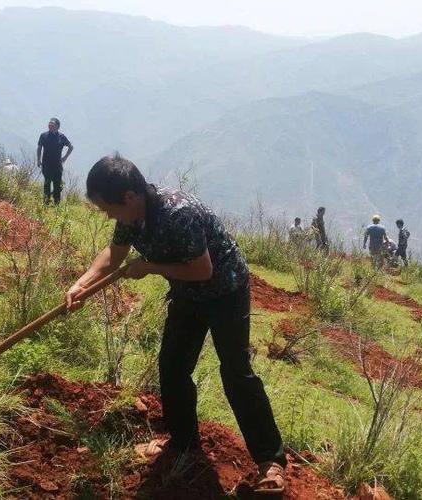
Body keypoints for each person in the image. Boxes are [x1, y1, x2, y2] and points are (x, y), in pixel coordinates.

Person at [65, 155, 287, 494]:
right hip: (187, 294)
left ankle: (270, 462)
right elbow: (114, 254)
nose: (109, 216)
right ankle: (183, 444)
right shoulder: (132, 216)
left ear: (129, 196)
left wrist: (151, 267)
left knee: (235, 371)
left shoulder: (178, 214)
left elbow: (203, 270)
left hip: (225, 289)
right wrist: (81, 284)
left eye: (109, 208)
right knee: (172, 367)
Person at [36, 118, 73, 205]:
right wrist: (38, 159)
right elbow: (39, 147)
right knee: (47, 183)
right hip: (46, 164)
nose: (50, 126)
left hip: (57, 165)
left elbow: (71, 147)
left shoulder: (62, 137)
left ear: (57, 126)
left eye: (52, 125)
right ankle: (46, 202)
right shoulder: (43, 135)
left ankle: (56, 203)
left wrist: (65, 157)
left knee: (58, 185)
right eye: (49, 124)